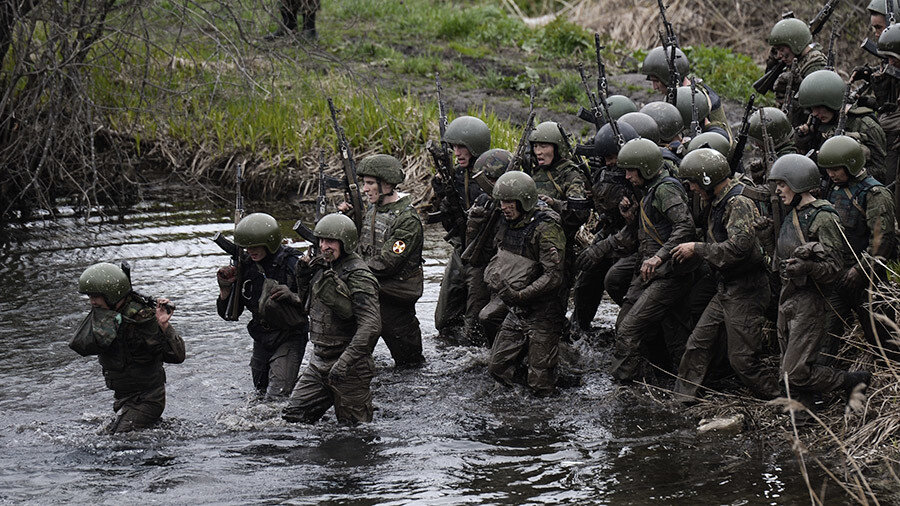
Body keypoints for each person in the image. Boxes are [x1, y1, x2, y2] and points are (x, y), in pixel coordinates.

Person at [671, 149, 779, 402]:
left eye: (694, 184)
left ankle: (783, 398)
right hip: (726, 288)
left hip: (746, 290)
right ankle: (681, 399)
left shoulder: (737, 202)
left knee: (742, 361)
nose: (693, 189)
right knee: (697, 345)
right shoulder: (719, 200)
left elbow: (739, 249)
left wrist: (697, 249)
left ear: (707, 180)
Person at [766, 154, 872, 406]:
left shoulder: (823, 217)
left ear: (799, 183)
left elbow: (835, 268)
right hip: (789, 296)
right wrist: (765, 238)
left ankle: (853, 380)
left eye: (783, 184)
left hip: (811, 301)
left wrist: (807, 267)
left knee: (794, 373)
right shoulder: (793, 213)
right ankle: (805, 411)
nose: (778, 190)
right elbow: (780, 258)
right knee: (788, 369)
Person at [611, 138, 699, 382]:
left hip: (668, 273)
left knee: (630, 330)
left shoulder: (665, 189)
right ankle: (650, 375)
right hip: (652, 272)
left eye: (631, 170)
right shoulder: (651, 189)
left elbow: (685, 226)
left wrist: (659, 257)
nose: (627, 176)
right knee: (626, 325)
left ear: (646, 167)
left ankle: (625, 387)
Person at [282, 213, 381, 425]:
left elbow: (371, 326)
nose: (324, 246)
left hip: (351, 367)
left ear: (345, 242)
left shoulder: (359, 275)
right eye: (321, 240)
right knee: (293, 417)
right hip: (320, 362)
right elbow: (308, 307)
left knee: (355, 433)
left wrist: (344, 363)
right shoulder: (322, 267)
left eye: (331, 241)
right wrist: (302, 277)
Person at [71, 262, 185, 433]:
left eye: (96, 296)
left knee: (120, 442)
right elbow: (82, 345)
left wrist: (163, 326)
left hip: (148, 398)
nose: (92, 301)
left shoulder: (141, 319)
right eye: (90, 296)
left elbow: (177, 356)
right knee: (106, 435)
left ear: (111, 294)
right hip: (124, 397)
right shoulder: (106, 315)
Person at [486, 171, 566, 396]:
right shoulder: (507, 222)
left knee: (541, 383)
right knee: (497, 368)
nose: (505, 206)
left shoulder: (546, 227)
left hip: (544, 311)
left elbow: (553, 276)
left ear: (524, 201)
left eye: (510, 201)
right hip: (517, 309)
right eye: (502, 201)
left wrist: (521, 295)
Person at [216, 213, 308, 399]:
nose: (251, 250)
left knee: (277, 397)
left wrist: (294, 297)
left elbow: (317, 303)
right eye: (247, 246)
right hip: (261, 337)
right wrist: (225, 289)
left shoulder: (292, 264)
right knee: (259, 393)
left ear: (270, 242)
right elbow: (229, 314)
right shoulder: (246, 266)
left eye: (256, 245)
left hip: (289, 335)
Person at [819, 135, 896, 354]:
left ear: (851, 165)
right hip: (837, 275)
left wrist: (860, 269)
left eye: (836, 169)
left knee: (883, 341)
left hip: (867, 280)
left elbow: (883, 240)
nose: (831, 174)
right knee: (825, 337)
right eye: (828, 170)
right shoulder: (831, 189)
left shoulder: (875, 194)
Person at [355, 154, 426, 367]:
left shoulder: (407, 220)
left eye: (369, 183)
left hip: (395, 299)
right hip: (372, 291)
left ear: (386, 184)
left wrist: (350, 270)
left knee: (410, 366)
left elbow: (387, 263)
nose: (365, 189)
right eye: (364, 183)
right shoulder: (373, 209)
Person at [432, 115, 490, 342]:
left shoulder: (490, 174)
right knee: (443, 321)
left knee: (475, 329)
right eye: (454, 147)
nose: (457, 152)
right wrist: (441, 193)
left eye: (462, 147)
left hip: (483, 253)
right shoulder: (455, 175)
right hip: (460, 249)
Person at [796, 70, 889, 184]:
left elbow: (881, 172)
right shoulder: (818, 122)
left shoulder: (865, 125)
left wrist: (845, 172)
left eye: (818, 107)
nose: (814, 113)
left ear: (832, 102)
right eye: (811, 109)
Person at [641, 46, 733, 141]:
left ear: (668, 78)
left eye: (656, 81)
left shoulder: (693, 101)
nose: (654, 87)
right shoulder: (692, 93)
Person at [765, 17, 827, 127]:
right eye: (777, 50)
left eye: (782, 49)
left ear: (795, 44)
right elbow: (770, 87)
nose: (779, 55)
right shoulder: (795, 60)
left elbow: (819, 104)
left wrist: (798, 85)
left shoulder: (815, 64)